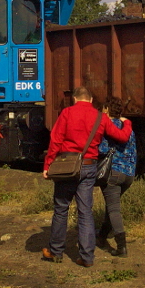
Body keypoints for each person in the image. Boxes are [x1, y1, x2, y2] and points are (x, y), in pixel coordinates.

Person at [42, 85, 133, 266]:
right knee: (85, 212)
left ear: (75, 99)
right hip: (90, 167)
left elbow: (56, 140)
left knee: (61, 209)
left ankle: (56, 252)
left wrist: (48, 165)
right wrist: (127, 122)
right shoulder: (100, 117)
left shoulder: (67, 113)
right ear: (91, 100)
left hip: (67, 166)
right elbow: (122, 137)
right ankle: (87, 257)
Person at [95, 96, 136, 257]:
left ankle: (121, 247)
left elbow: (102, 150)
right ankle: (101, 237)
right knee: (111, 206)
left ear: (106, 110)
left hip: (113, 173)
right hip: (129, 174)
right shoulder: (128, 128)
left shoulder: (107, 126)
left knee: (113, 209)